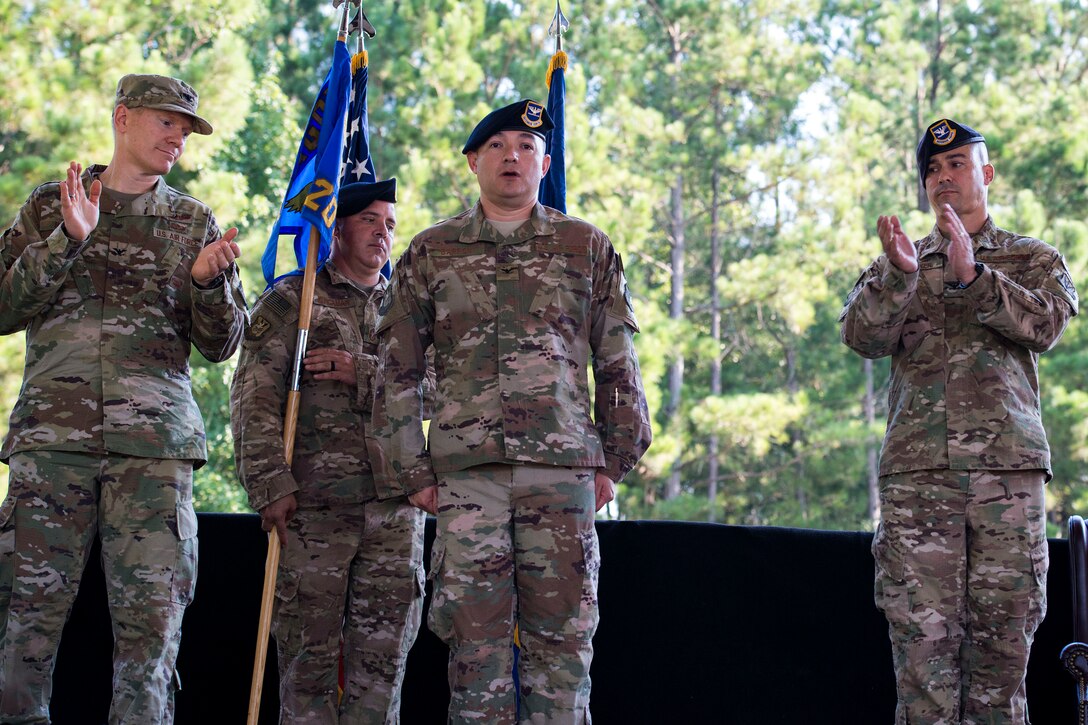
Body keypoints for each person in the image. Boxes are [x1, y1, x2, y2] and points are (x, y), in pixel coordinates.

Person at [371, 99, 652, 723]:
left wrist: (615, 460)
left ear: (545, 164)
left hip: (563, 474)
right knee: (475, 652)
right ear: (474, 161)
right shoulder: (431, 251)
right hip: (468, 479)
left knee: (564, 649)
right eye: (497, 146)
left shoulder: (585, 246)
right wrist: (410, 471)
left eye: (526, 148)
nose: (512, 157)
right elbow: (397, 369)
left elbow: (617, 360)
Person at [0, 74, 247, 722]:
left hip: (154, 452)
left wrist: (208, 284)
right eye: (166, 122)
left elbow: (223, 344)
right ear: (122, 118)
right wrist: (66, 239)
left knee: (151, 636)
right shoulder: (52, 206)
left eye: (186, 129)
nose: (177, 138)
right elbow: (3, 306)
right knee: (23, 626)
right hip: (53, 445)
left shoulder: (194, 221)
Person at [840, 118, 1078, 723]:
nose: (943, 177)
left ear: (986, 174)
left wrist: (975, 276)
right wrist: (897, 278)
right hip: (919, 480)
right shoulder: (902, 261)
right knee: (922, 660)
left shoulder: (1032, 258)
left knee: (1004, 654)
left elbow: (1046, 325)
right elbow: (861, 336)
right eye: (932, 170)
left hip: (1007, 479)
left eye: (957, 165)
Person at [231, 179, 427, 723]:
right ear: (335, 227)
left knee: (381, 671)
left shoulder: (410, 309)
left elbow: (441, 388)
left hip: (395, 511)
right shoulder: (295, 300)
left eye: (390, 224)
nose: (382, 233)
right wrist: (269, 484)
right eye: (369, 220)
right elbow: (253, 398)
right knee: (307, 666)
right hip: (314, 509)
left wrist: (362, 371)